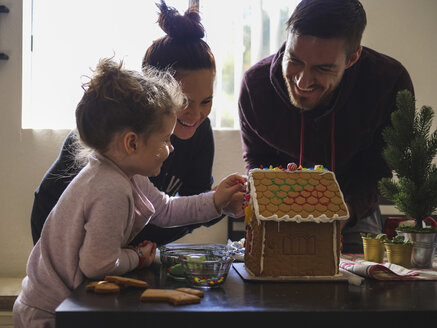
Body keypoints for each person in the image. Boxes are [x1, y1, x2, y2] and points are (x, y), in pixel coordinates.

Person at [14, 58, 246, 328]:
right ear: (132, 142)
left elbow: (166, 209)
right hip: (51, 313)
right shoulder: (110, 188)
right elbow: (97, 265)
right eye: (165, 139)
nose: (170, 149)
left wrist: (215, 200)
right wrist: (136, 257)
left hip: (67, 305)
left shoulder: (124, 173)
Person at [30, 1, 231, 246]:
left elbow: (176, 210)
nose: (195, 114)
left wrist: (221, 202)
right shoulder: (107, 136)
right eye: (185, 102)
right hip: (66, 243)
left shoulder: (200, 134)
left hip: (123, 248)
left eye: (206, 101)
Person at [238, 0, 414, 253]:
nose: (302, 80)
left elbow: (377, 171)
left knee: (362, 287)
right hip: (280, 208)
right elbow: (256, 158)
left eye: (323, 68)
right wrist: (279, 203)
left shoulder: (389, 84)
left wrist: (342, 213)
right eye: (295, 60)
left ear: (352, 58)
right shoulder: (256, 87)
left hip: (354, 208)